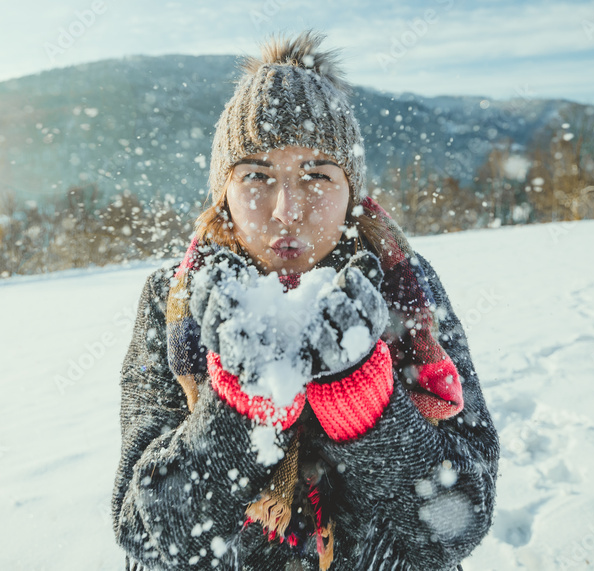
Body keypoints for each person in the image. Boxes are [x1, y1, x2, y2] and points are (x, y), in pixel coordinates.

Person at [111, 30, 499, 571]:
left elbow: (460, 523)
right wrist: (239, 413)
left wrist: (368, 410)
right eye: (257, 176)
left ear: (351, 191)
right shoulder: (172, 301)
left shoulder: (404, 289)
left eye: (316, 175)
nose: (287, 209)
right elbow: (148, 536)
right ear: (223, 191)